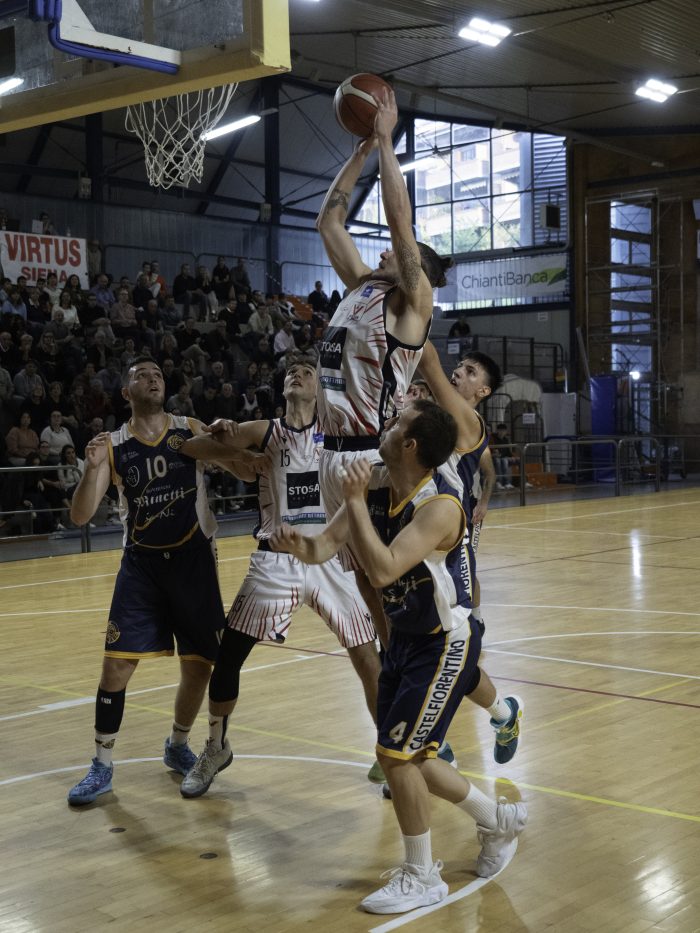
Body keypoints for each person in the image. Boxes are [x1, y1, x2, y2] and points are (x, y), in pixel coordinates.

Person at [271, 400, 527, 914]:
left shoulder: (440, 508)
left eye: (395, 425)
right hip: (405, 639)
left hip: (444, 642)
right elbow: (327, 547)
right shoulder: (384, 484)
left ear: (410, 444)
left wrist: (354, 499)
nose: (384, 428)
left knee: (395, 756)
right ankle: (495, 821)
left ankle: (422, 875)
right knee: (414, 758)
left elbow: (384, 569)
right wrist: (299, 545)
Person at [174, 358, 381, 798]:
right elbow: (190, 448)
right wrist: (236, 454)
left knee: (368, 658)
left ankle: (390, 750)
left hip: (331, 556)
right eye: (290, 371)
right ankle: (216, 747)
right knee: (229, 658)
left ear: (319, 387)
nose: (297, 374)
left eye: (306, 370)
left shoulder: (338, 433)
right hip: (275, 559)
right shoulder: (265, 431)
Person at [65, 357, 247, 806]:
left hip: (193, 561)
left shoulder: (189, 427)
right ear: (125, 393)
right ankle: (101, 766)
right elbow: (81, 515)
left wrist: (237, 446)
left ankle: (178, 745)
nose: (153, 379)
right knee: (116, 667)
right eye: (141, 375)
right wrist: (90, 471)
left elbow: (239, 465)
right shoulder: (113, 445)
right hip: (142, 566)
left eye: (158, 375)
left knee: (200, 663)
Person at [315, 85, 453, 649]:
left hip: (375, 457)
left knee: (400, 595)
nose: (386, 251)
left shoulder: (412, 304)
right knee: (370, 599)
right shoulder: (364, 288)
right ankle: (410, 686)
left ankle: (456, 676)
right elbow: (329, 221)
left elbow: (400, 218)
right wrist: (361, 151)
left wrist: (389, 142)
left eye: (398, 251)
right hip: (333, 454)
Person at [418, 342, 523, 733]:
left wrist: (409, 310)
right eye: (459, 365)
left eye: (470, 371)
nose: (459, 371)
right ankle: (499, 715)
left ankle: (430, 743)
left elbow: (427, 359)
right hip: (417, 537)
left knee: (449, 658)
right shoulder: (433, 417)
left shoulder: (468, 422)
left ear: (483, 392)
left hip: (448, 546)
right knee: (412, 648)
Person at [491, 421, 515, 490]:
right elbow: (493, 449)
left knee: (504, 461)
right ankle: (499, 482)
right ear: (497, 431)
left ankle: (507, 483)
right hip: (495, 457)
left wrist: (512, 456)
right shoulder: (493, 438)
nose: (502, 432)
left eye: (503, 431)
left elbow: (507, 451)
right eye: (500, 430)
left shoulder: (506, 440)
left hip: (503, 457)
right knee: (498, 462)